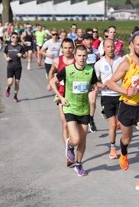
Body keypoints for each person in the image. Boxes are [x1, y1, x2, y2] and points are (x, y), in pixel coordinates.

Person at [108, 34, 139, 193]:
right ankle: (123, 152)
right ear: (132, 46)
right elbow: (110, 82)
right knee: (126, 139)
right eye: (138, 44)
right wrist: (126, 91)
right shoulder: (126, 63)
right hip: (127, 107)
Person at [49, 45, 99, 177]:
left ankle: (78, 164)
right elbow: (53, 81)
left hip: (84, 109)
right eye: (79, 55)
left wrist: (96, 89)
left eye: (84, 56)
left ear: (87, 57)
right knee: (75, 139)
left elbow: (94, 85)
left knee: (83, 140)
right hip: (70, 108)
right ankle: (70, 145)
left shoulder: (90, 70)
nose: (82, 58)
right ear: (75, 56)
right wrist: (60, 97)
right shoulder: (67, 70)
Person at [94, 39, 124, 159]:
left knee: (122, 124)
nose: (111, 49)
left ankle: (124, 146)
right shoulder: (99, 64)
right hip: (107, 97)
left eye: (112, 46)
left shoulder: (121, 61)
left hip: (120, 96)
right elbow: (94, 82)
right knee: (112, 124)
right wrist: (102, 85)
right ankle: (112, 148)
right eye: (108, 47)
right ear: (104, 48)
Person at [47, 38, 76, 159]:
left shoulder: (77, 60)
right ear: (62, 49)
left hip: (75, 96)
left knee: (74, 126)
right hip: (61, 94)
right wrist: (50, 82)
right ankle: (68, 153)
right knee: (65, 124)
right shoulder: (57, 61)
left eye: (70, 47)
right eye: (65, 48)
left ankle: (72, 144)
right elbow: (51, 72)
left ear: (73, 48)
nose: (68, 50)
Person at [82, 33, 100, 132]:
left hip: (93, 81)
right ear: (84, 41)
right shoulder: (80, 52)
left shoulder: (96, 52)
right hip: (82, 81)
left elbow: (100, 65)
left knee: (92, 102)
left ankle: (91, 119)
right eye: (87, 40)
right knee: (83, 103)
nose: (89, 41)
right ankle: (82, 121)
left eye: (91, 40)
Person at [3, 32, 26, 102]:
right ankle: (8, 88)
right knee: (10, 82)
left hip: (18, 67)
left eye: (16, 37)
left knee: (17, 82)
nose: (15, 39)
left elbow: (25, 56)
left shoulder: (20, 47)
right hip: (10, 67)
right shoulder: (8, 46)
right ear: (11, 38)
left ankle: (15, 96)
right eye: (13, 37)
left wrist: (21, 55)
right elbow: (4, 54)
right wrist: (6, 58)